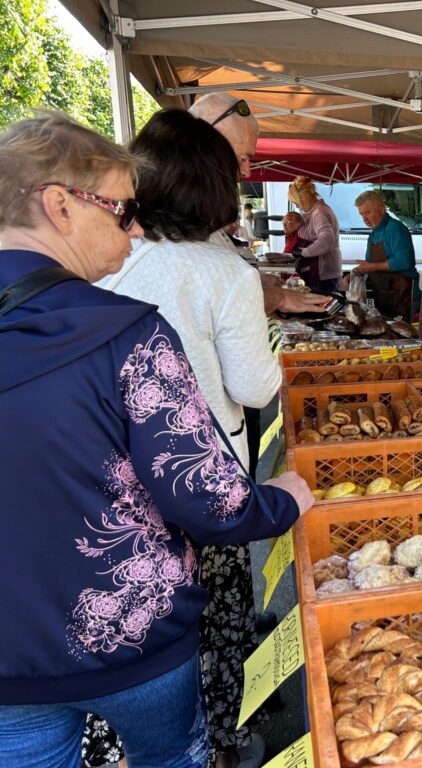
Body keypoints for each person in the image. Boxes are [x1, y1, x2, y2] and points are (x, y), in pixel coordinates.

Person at [0, 112, 314, 768]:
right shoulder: (126, 335)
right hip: (130, 639)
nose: (136, 227)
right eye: (120, 211)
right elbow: (211, 501)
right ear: (59, 205)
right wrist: (285, 499)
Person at [95, 108, 283, 768]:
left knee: (143, 631)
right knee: (219, 617)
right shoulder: (223, 273)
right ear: (214, 188)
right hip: (206, 480)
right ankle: (224, 746)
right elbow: (256, 388)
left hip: (117, 483)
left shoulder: (105, 260)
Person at [188, 93, 325, 316]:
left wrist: (256, 280)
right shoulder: (183, 223)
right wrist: (277, 297)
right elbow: (218, 305)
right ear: (207, 150)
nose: (246, 171)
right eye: (242, 158)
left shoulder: (200, 218)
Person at [344, 189, 417, 320]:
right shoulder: (373, 235)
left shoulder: (395, 228)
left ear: (382, 210)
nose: (365, 219)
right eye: (361, 214)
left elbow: (404, 261)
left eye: (368, 212)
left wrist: (373, 267)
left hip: (401, 298)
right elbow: (369, 264)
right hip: (383, 299)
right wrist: (354, 275)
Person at [287, 175, 342, 292]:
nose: (297, 206)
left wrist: (304, 252)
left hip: (323, 273)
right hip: (320, 272)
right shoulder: (314, 213)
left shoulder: (319, 213)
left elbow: (326, 240)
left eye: (296, 202)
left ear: (303, 198)